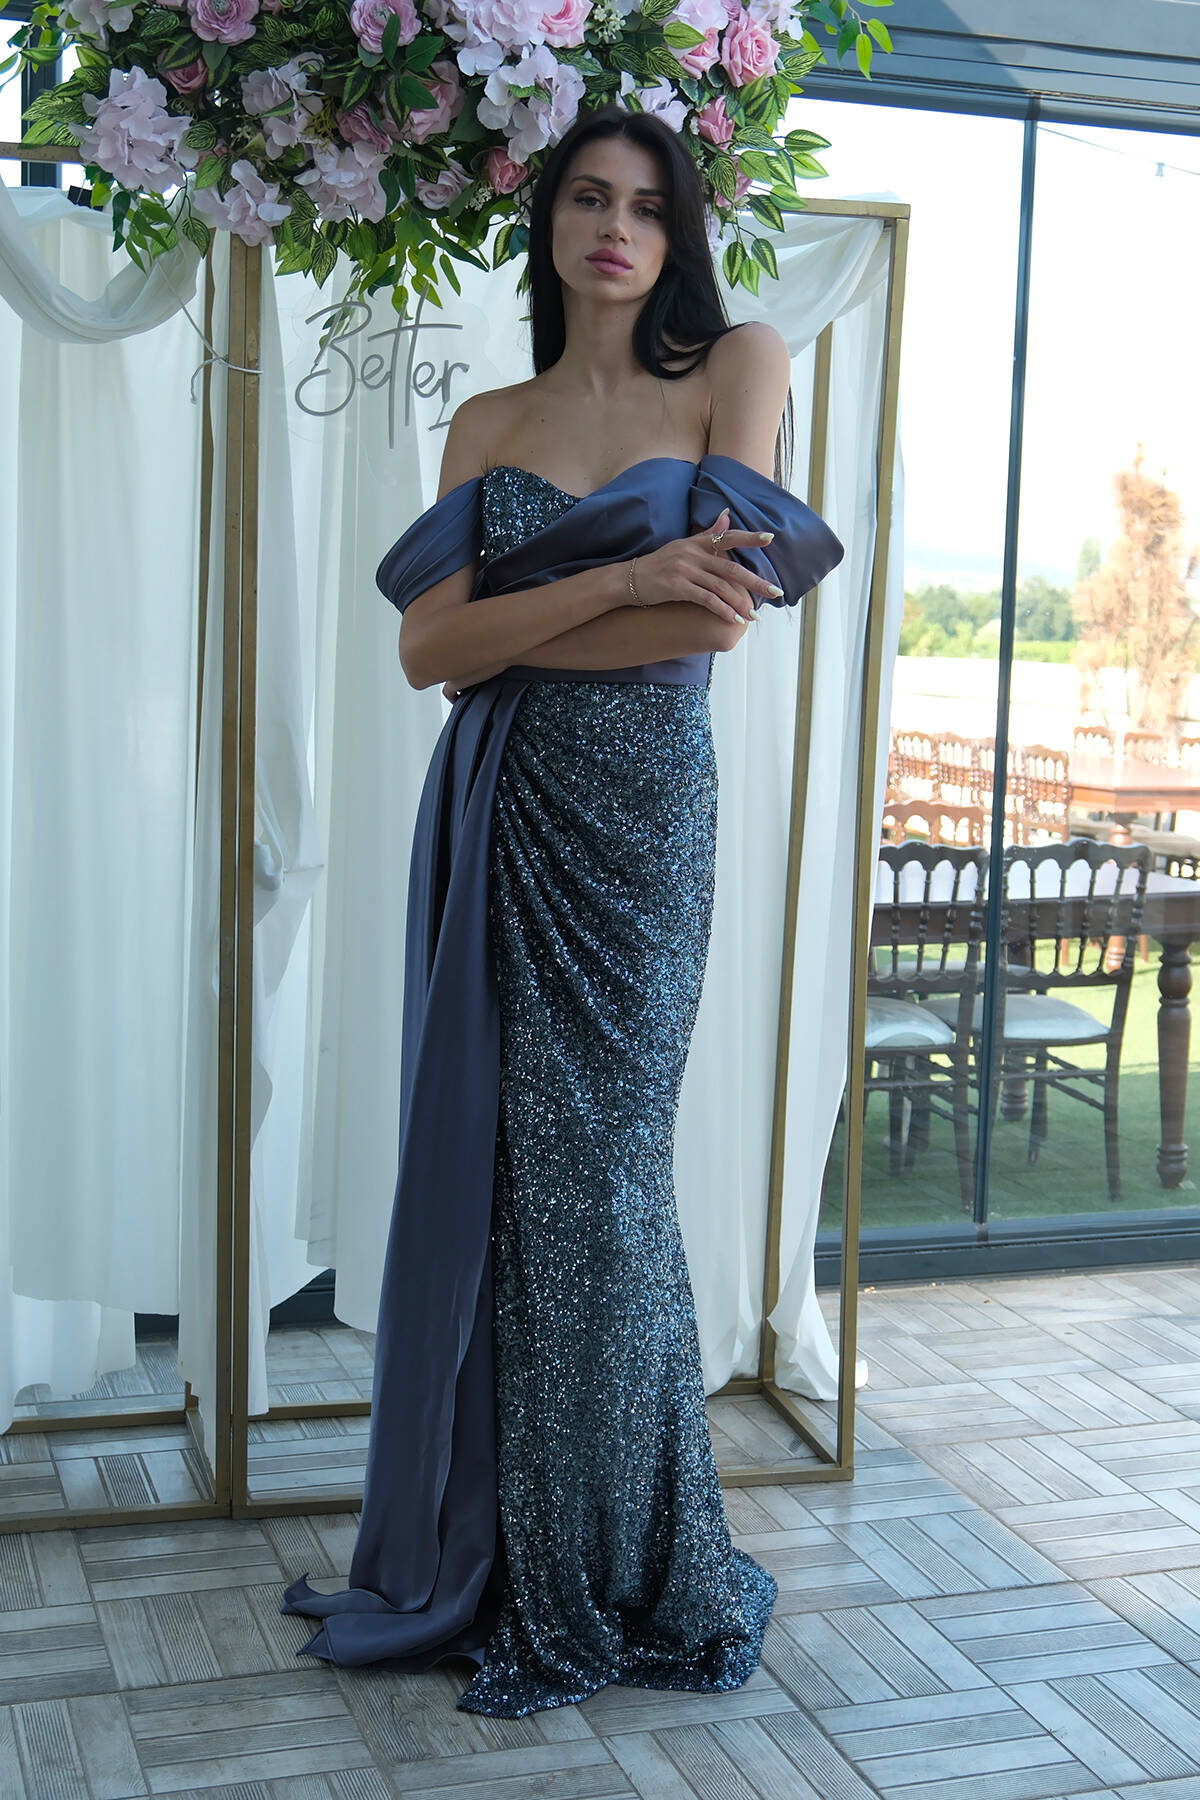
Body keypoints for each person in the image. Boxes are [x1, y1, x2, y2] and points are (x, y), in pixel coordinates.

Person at [281, 100, 844, 1719]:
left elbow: (718, 623)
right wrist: (621, 579)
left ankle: (622, 1555)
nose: (616, 229)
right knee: (508, 1179)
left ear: (680, 234)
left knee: (604, 1180)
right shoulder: (488, 420)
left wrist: (540, 617)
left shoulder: (739, 363)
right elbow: (425, 654)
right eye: (589, 199)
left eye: (648, 207)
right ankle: (519, 1548)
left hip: (643, 816)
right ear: (548, 225)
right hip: (501, 806)